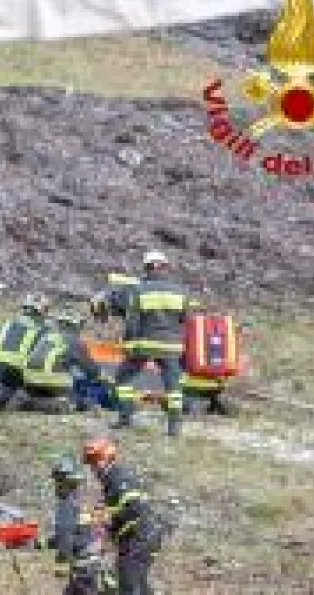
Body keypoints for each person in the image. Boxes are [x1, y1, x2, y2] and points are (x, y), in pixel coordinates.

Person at [98, 251, 194, 437]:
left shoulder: (139, 290)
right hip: (171, 346)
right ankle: (174, 427)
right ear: (165, 267)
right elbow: (185, 319)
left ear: (146, 268)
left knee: (123, 378)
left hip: (145, 344)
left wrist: (128, 343)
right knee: (173, 387)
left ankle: (125, 417)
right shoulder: (180, 291)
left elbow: (132, 321)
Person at [82, 436, 167, 595]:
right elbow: (117, 515)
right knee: (137, 583)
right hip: (136, 538)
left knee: (129, 584)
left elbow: (134, 508)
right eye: (90, 462)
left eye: (95, 461)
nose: (92, 467)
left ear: (107, 458)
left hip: (141, 537)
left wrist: (105, 515)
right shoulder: (110, 480)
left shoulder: (119, 478)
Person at [4, 312, 104, 412]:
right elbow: (91, 369)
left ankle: (27, 399)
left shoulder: (47, 336)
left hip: (30, 380)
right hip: (53, 382)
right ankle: (48, 404)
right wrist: (101, 377)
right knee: (79, 400)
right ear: (75, 326)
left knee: (44, 390)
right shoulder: (75, 341)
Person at [45, 455, 116, 595]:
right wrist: (43, 543)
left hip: (83, 567)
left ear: (64, 482)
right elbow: (77, 532)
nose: (56, 485)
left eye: (57, 481)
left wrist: (62, 562)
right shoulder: (80, 502)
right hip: (95, 563)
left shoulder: (66, 505)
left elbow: (66, 536)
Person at [0, 295, 49, 409]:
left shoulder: (10, 322)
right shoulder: (42, 327)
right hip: (16, 366)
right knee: (11, 394)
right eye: (46, 309)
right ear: (40, 310)